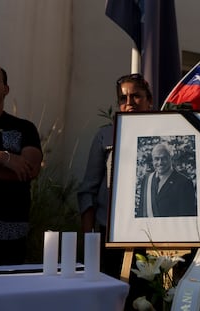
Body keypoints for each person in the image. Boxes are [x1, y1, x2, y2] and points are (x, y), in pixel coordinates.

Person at [77, 73, 153, 278]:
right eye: (123, 98)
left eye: (136, 96)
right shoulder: (105, 136)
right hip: (110, 234)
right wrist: (89, 242)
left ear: (149, 101)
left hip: (154, 235)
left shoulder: (165, 134)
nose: (129, 103)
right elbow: (88, 190)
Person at [0, 59, 43, 266]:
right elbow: (14, 168)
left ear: (6, 89)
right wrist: (3, 158)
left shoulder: (24, 128)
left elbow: (29, 169)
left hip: (11, 242)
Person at [136, 143, 197, 217]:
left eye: (164, 158)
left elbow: (187, 217)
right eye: (156, 159)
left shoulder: (184, 183)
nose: (160, 162)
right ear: (152, 160)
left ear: (170, 158)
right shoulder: (146, 180)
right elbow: (141, 212)